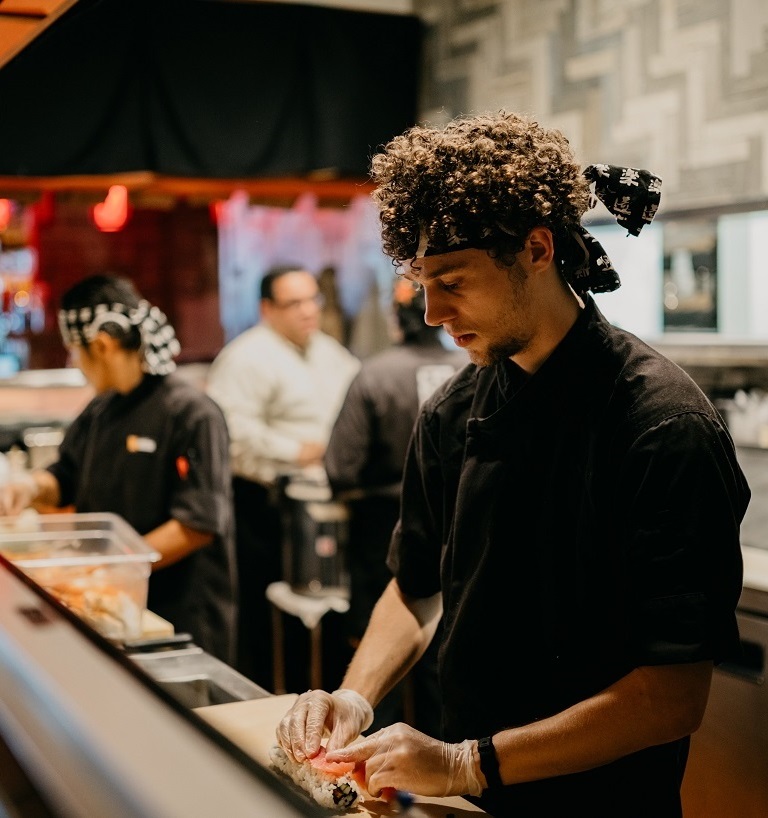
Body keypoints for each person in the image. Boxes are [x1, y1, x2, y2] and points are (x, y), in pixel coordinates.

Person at [275, 111, 751, 817]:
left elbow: (672, 694)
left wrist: (468, 762)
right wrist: (354, 696)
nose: (433, 312)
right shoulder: (451, 412)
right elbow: (416, 588)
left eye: (453, 280)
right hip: (466, 801)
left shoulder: (660, 425)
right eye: (419, 282)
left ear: (536, 249)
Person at [0, 274, 237, 663]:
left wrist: (111, 569)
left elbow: (196, 526)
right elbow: (65, 477)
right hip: (113, 611)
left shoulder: (192, 414)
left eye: (75, 352)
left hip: (179, 622)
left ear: (103, 346)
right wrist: (28, 487)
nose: (74, 364)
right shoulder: (101, 409)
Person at [206, 264, 360, 690]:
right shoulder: (246, 357)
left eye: (313, 299)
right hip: (264, 505)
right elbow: (229, 432)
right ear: (267, 309)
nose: (308, 311)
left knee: (329, 616)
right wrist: (296, 450)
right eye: (294, 303)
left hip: (324, 502)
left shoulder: (330, 352)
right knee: (269, 620)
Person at [324, 279, 466, 736]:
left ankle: (364, 769)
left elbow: (340, 466)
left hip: (383, 533)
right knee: (443, 672)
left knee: (374, 674)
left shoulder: (376, 374)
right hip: (459, 532)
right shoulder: (472, 370)